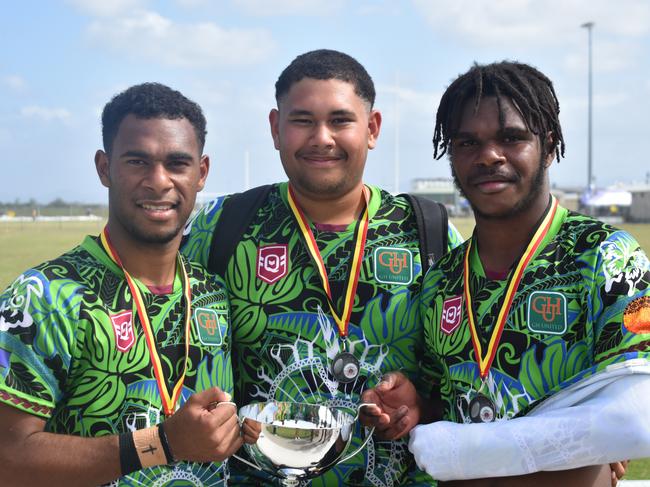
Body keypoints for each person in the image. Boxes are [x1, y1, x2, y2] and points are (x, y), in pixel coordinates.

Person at [361, 61, 650, 486]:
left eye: (511, 138)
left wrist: (471, 453)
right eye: (467, 142)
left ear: (548, 146)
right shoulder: (440, 282)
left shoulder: (604, 257)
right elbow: (446, 408)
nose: (489, 155)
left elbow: (636, 413)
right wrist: (415, 405)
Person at [182, 49, 463, 486]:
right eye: (302, 120)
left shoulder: (427, 231)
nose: (321, 137)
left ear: (372, 129)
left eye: (340, 120)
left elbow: (472, 372)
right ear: (276, 129)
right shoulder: (220, 226)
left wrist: (420, 405)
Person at [0, 83, 247, 486]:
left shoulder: (213, 294)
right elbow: (7, 459)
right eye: (137, 162)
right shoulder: (45, 296)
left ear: (201, 173)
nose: (158, 181)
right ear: (104, 168)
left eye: (177, 163)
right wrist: (163, 442)